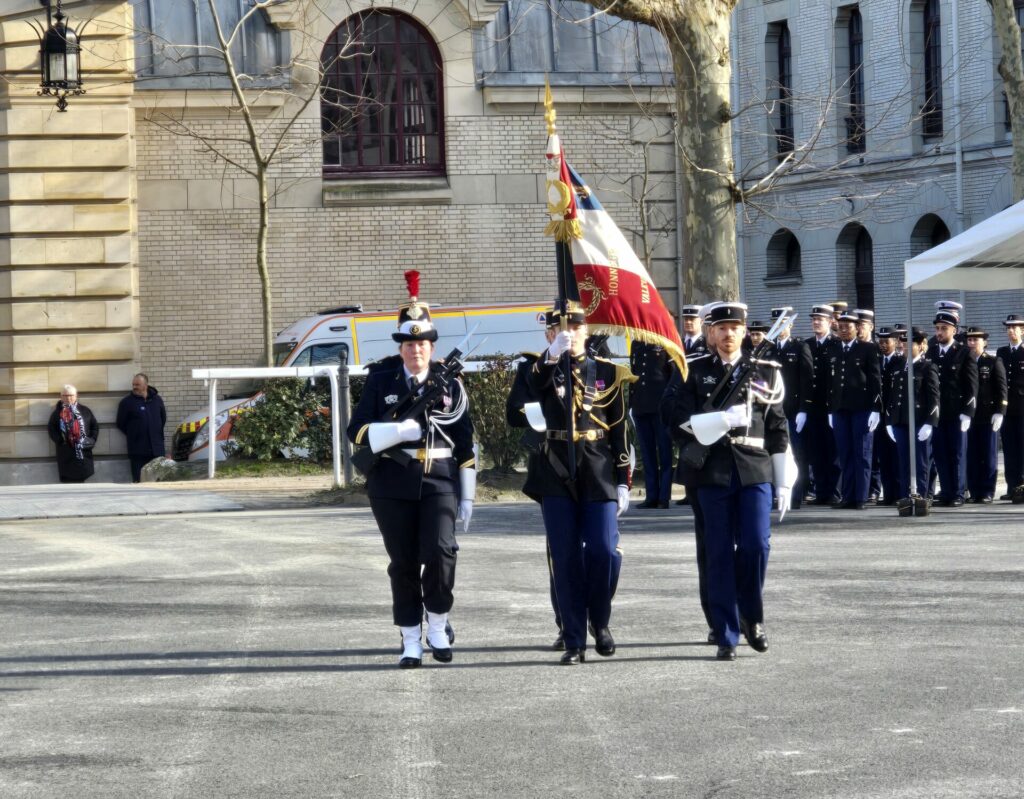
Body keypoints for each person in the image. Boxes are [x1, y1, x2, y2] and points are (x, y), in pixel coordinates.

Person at [346, 272, 475, 669]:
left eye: (422, 343)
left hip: (438, 478)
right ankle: (410, 637)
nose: (415, 350)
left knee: (441, 552)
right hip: (390, 481)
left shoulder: (449, 384)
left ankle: (438, 623)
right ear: (400, 347)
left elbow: (466, 443)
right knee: (402, 561)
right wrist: (396, 430)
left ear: (432, 347)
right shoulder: (382, 377)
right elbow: (357, 431)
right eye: (408, 343)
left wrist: (467, 493)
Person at [664, 302, 791, 661]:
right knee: (717, 552)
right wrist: (719, 419)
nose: (728, 333)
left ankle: (751, 615)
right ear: (709, 332)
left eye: (735, 326)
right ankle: (726, 632)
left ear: (744, 329)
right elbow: (672, 418)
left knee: (756, 544)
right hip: (711, 470)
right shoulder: (692, 369)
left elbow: (778, 427)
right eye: (720, 327)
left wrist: (782, 479)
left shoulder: (766, 370)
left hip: (754, 467)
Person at [529, 301, 635, 665]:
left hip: (599, 469)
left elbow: (620, 431)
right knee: (566, 556)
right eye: (562, 329)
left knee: (605, 550)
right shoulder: (543, 369)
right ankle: (574, 638)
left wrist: (623, 479)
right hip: (558, 470)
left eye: (575, 328)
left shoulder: (609, 371)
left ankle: (599, 621)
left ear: (587, 331)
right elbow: (531, 388)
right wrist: (549, 357)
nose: (569, 334)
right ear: (551, 334)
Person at [827, 309, 882, 509]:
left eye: (847, 327)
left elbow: (875, 379)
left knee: (862, 453)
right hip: (840, 408)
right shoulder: (834, 349)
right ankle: (847, 496)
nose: (843, 331)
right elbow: (830, 382)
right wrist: (830, 410)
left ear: (856, 328)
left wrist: (876, 407)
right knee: (845, 453)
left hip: (862, 408)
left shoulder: (867, 348)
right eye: (840, 327)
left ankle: (861, 497)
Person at [926, 306, 978, 507]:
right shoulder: (931, 351)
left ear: (953, 331)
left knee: (957, 453)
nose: (939, 332)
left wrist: (968, 412)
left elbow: (972, 384)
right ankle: (946, 491)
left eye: (943, 329)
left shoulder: (964, 352)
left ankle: (958, 492)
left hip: (957, 412)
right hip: (938, 413)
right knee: (940, 453)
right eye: (937, 328)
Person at [885, 328, 939, 500]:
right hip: (900, 420)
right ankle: (906, 496)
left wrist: (930, 421)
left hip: (919, 420)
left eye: (910, 344)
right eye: (903, 343)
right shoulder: (898, 365)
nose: (905, 347)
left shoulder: (927, 367)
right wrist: (889, 420)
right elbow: (892, 395)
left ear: (921, 346)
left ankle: (921, 495)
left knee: (921, 461)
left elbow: (934, 397)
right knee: (903, 461)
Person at [771, 307, 812, 511]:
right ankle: (775, 495)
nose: (780, 328)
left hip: (794, 409)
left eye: (784, 324)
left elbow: (807, 379)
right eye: (777, 324)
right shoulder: (769, 349)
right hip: (774, 410)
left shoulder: (799, 347)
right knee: (774, 452)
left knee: (796, 453)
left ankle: (797, 495)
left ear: (791, 325)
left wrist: (804, 408)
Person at [630, 339, 674, 509]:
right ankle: (651, 495)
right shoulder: (636, 343)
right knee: (647, 454)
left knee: (664, 453)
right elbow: (635, 372)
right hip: (641, 405)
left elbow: (672, 375)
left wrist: (669, 402)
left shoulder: (664, 340)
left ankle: (663, 497)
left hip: (659, 405)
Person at [964, 327, 1006, 503]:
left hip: (988, 416)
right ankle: (974, 491)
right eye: (970, 340)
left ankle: (987, 491)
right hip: (969, 417)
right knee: (971, 455)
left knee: (988, 456)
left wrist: (1000, 411)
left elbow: (1002, 389)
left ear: (985, 342)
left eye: (976, 340)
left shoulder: (993, 361)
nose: (972, 343)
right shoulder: (964, 362)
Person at [805, 304, 839, 505]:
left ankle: (834, 492)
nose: (816, 322)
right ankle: (821, 492)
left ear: (829, 322)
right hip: (813, 405)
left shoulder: (835, 344)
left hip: (830, 405)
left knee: (833, 451)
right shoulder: (807, 344)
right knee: (816, 451)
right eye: (814, 319)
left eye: (820, 320)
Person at [116, 373, 168, 483]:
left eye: (137, 384)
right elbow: (120, 423)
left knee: (159, 481)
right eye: (133, 384)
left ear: (145, 385)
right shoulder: (126, 403)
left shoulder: (157, 400)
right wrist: (135, 434)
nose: (134, 387)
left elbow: (162, 419)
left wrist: (154, 432)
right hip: (138, 450)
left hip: (156, 449)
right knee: (139, 481)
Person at [996, 314, 1024, 500]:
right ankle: (1012, 486)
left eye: (1015, 327)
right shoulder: (1002, 352)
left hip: (1023, 408)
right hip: (1007, 409)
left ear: (1022, 330)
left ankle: (1022, 486)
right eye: (1008, 328)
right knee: (1009, 449)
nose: (1011, 331)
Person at [47, 385, 99, 483]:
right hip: (66, 453)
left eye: (71, 395)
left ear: (76, 396)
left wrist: (92, 440)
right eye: (65, 395)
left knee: (81, 481)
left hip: (83, 452)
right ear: (61, 397)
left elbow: (94, 426)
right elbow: (51, 429)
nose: (68, 398)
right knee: (68, 482)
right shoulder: (57, 413)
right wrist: (60, 440)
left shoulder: (85, 410)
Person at [875, 328, 901, 504]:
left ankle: (899, 492)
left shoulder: (901, 361)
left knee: (897, 456)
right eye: (881, 342)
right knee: (883, 456)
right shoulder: (877, 361)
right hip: (880, 415)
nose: (883, 345)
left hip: (896, 415)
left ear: (896, 342)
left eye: (887, 341)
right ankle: (888, 493)